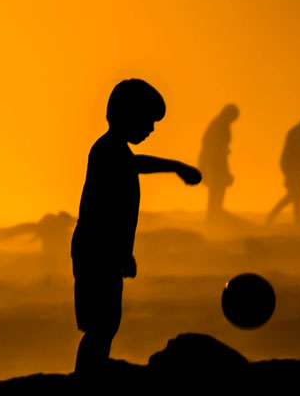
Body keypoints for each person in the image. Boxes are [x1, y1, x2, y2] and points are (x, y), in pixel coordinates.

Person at [71, 80, 202, 377]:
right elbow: (106, 213)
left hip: (100, 251)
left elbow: (131, 173)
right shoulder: (107, 151)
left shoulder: (114, 151)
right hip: (95, 252)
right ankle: (86, 383)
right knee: (100, 326)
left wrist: (123, 253)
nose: (151, 129)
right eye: (148, 121)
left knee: (105, 325)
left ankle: (89, 378)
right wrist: (177, 167)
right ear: (127, 115)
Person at [267, 112, 300, 225]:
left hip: (292, 166)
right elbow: (298, 153)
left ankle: (296, 220)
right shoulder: (298, 132)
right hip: (291, 166)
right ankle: (272, 216)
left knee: (296, 194)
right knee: (294, 194)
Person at [198, 105, 240, 223]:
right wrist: (221, 149)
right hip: (213, 161)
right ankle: (213, 216)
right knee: (216, 187)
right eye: (234, 117)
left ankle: (215, 214)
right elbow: (211, 143)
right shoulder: (219, 124)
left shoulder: (221, 123)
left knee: (218, 187)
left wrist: (223, 150)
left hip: (217, 160)